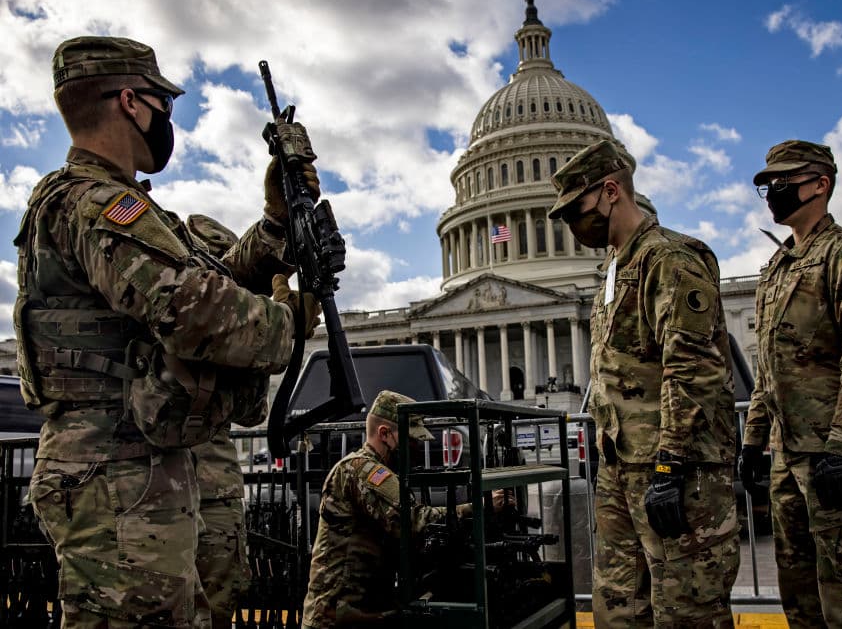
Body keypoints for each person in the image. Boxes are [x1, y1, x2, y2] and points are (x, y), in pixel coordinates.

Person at [15, 36, 320, 628]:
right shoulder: (92, 203)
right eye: (163, 103)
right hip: (114, 470)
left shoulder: (113, 205)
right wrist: (289, 322)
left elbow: (210, 275)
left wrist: (276, 225)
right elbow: (190, 308)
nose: (167, 119)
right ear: (131, 101)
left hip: (130, 466)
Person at [548, 139, 739, 628]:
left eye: (578, 209)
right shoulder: (616, 269)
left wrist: (670, 464)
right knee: (619, 609)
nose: (573, 225)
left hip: (675, 468)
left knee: (688, 611)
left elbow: (691, 368)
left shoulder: (670, 259)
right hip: (621, 467)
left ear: (611, 191)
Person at [738, 140, 842, 628]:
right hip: (789, 464)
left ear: (821, 184)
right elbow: (769, 372)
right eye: (768, 184)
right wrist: (753, 442)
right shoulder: (775, 270)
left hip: (836, 462)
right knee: (801, 601)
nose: (773, 191)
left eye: (783, 181)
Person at [184, 214, 296, 629]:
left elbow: (252, 412)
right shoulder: (177, 309)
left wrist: (269, 333)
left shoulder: (228, 333)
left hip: (215, 482)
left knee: (220, 600)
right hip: (159, 481)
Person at [302, 390, 491, 628]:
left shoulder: (371, 470)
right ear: (385, 434)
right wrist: (478, 508)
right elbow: (415, 521)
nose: (414, 447)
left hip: (356, 611)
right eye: (409, 440)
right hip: (336, 616)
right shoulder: (362, 471)